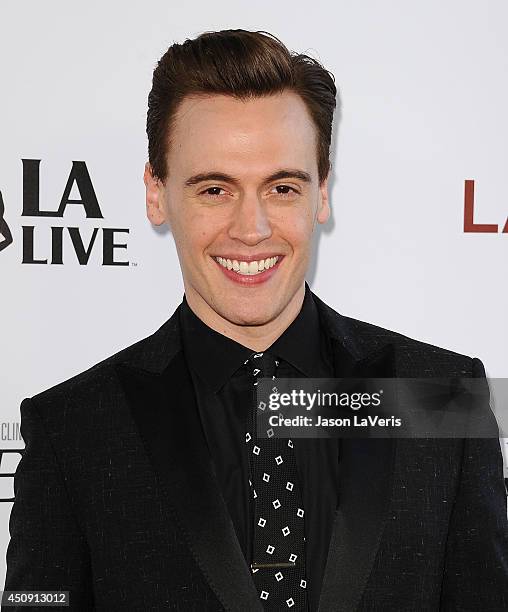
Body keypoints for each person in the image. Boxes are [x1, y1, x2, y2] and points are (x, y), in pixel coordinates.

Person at [4, 29, 507, 612]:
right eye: (215, 189)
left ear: (322, 192)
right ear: (156, 193)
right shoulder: (74, 429)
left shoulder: (441, 396)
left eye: (282, 187)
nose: (251, 229)